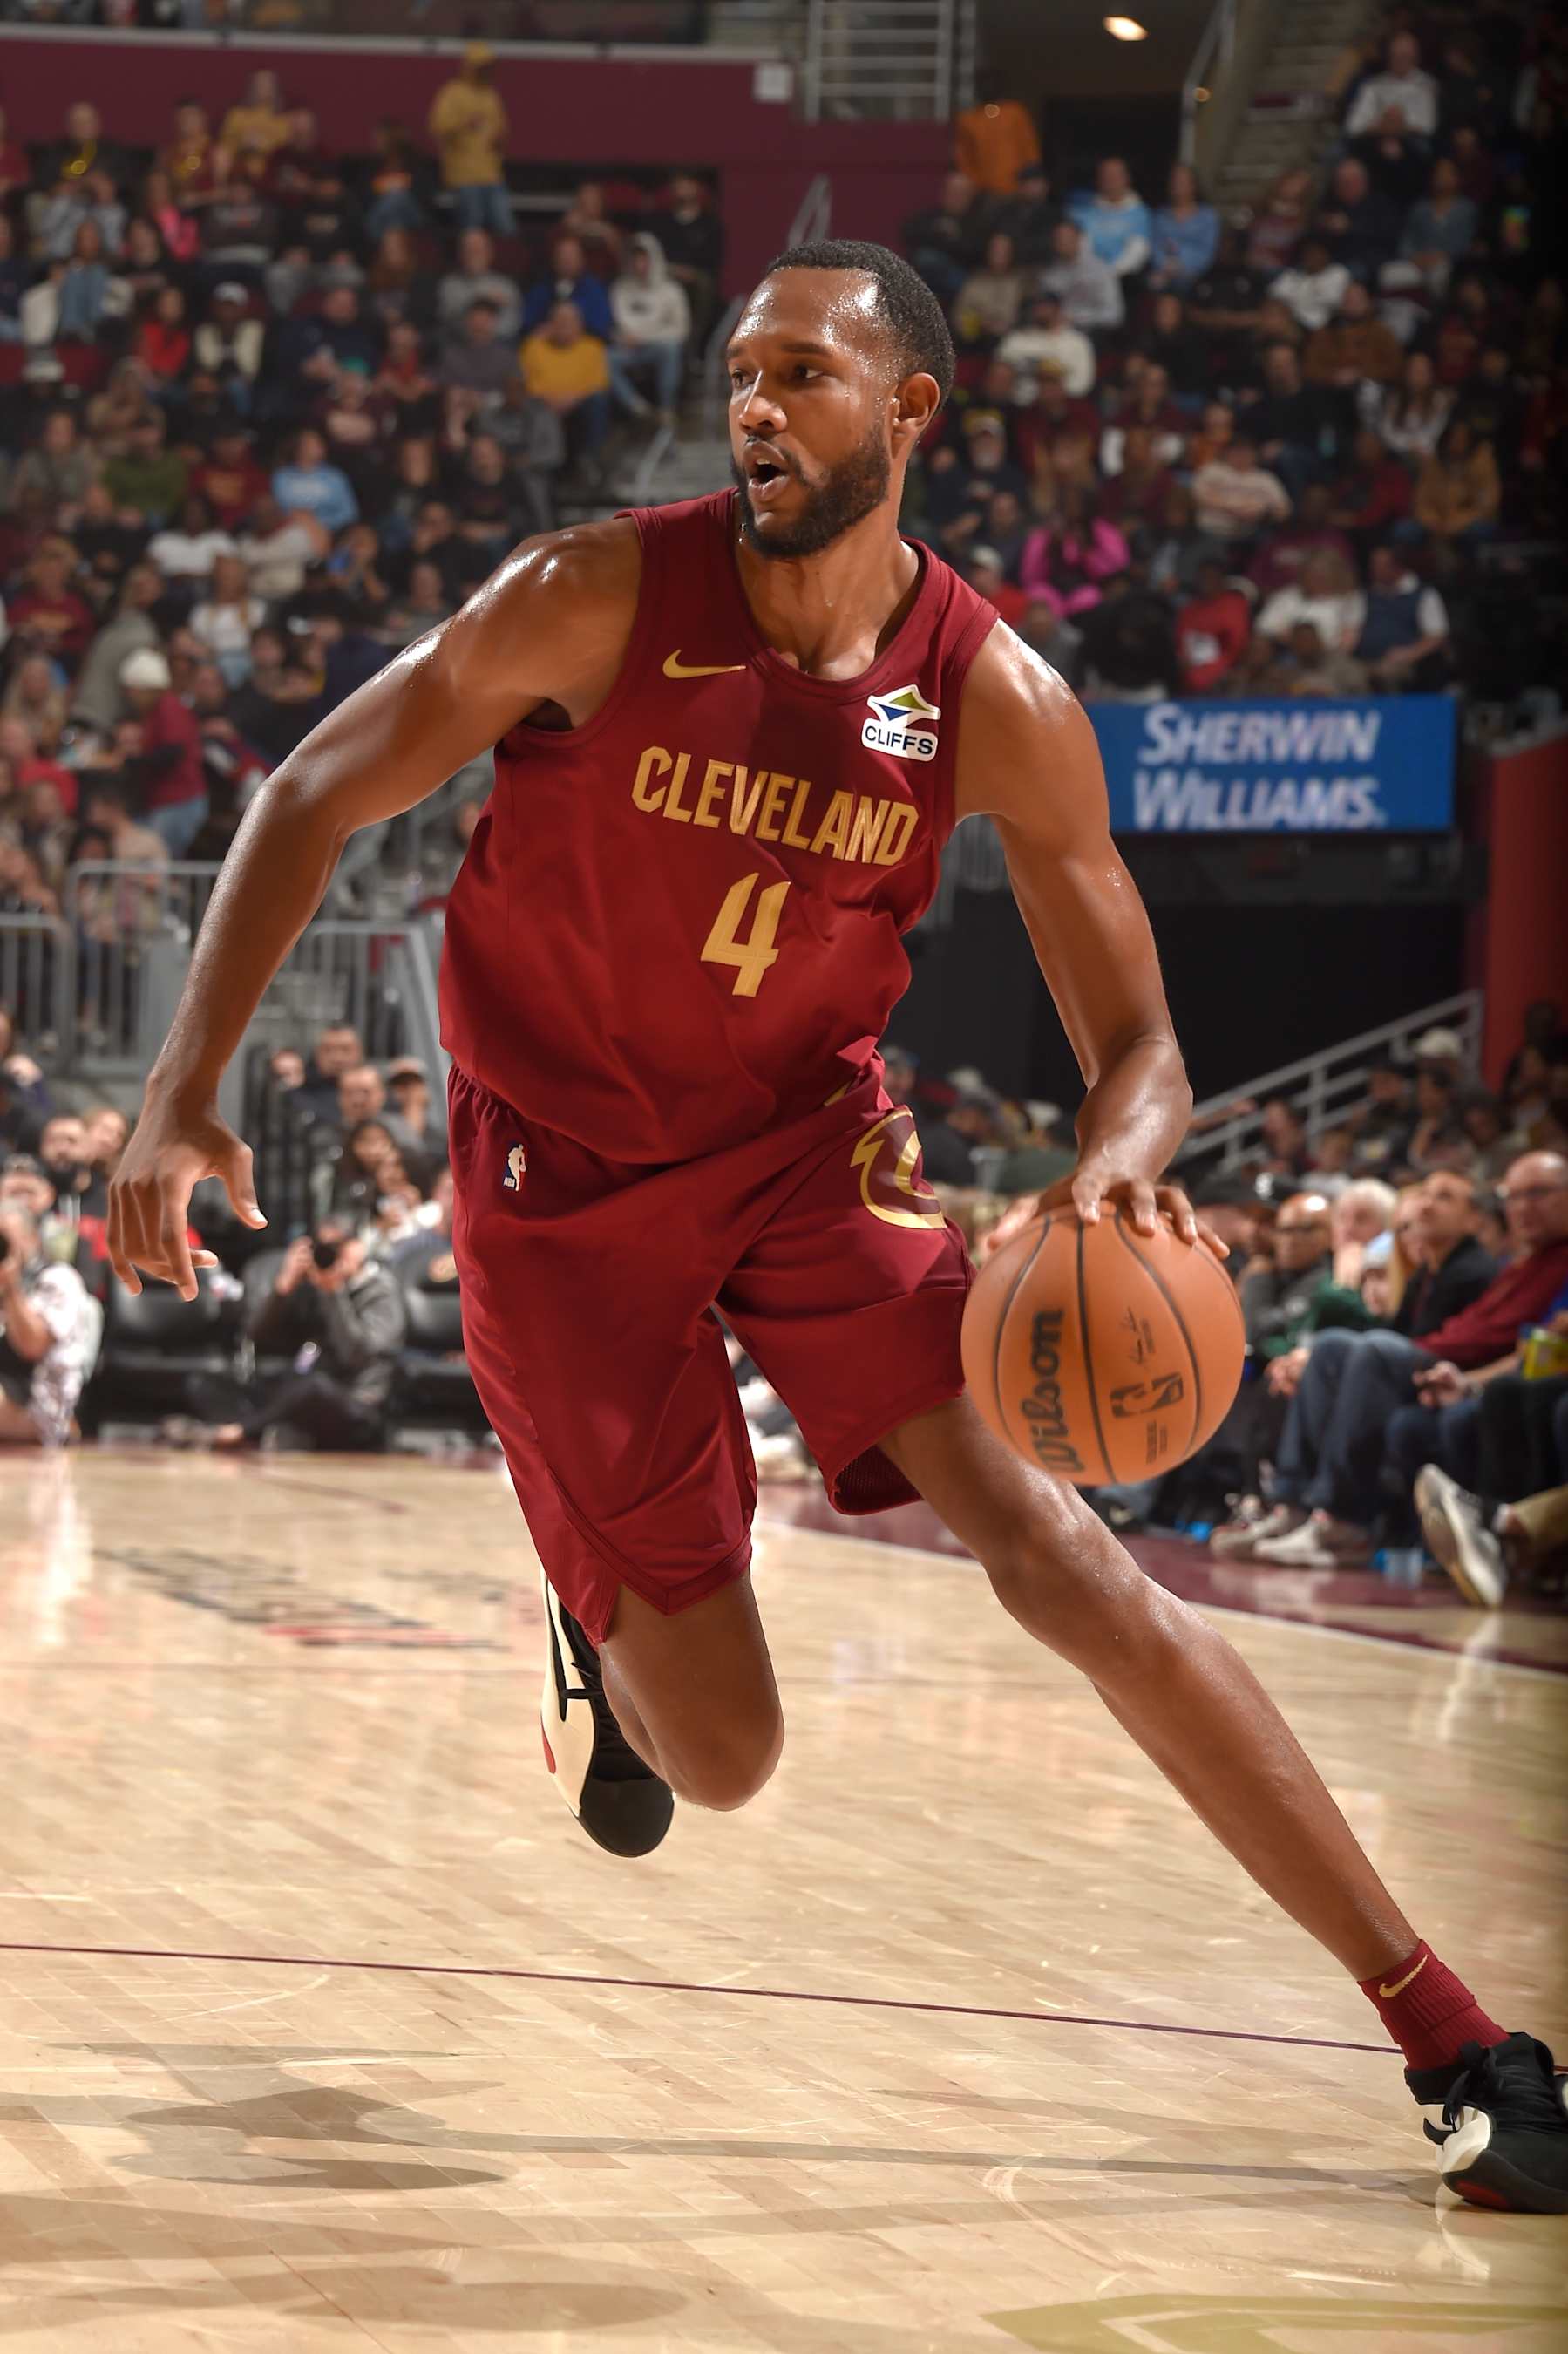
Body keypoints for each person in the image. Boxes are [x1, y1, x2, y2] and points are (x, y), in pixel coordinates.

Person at [105, 236, 1568, 2212]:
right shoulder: (595, 592)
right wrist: (185, 1088)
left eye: (803, 371)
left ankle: (1451, 2029)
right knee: (722, 1760)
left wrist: (1125, 1153)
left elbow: (1141, 1041)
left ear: (914, 411)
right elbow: (307, 791)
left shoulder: (997, 696)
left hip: (812, 1152)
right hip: (564, 1176)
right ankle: (591, 1602)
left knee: (1064, 1551)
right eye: (740, 377)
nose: (759, 406)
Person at [1255, 1154, 1568, 1568]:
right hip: (1454, 1366)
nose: (1524, 1206)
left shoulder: (1482, 1267)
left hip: (1472, 1370)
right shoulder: (1507, 1268)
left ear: (1475, 1218)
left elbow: (1486, 1339)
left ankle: (1342, 1521)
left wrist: (1466, 1380)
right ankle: (1292, 1504)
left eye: (1539, 1193)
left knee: (1373, 1351)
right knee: (1331, 1350)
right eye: (1515, 1196)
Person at [0, 1193, 99, 1446]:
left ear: (32, 1238)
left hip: (40, 1408)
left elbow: (32, 1346)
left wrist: (10, 1288)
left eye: (5, 1239)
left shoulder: (59, 1280)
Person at [428, 42, 512, 236]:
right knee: (472, 230)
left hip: (492, 175)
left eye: (489, 66)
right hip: (464, 177)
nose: (487, 71)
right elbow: (439, 128)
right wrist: (465, 123)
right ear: (471, 66)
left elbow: (502, 128)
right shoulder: (452, 93)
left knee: (506, 229)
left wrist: (500, 138)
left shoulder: (491, 95)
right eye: (482, 66)